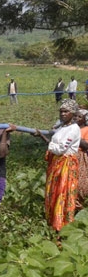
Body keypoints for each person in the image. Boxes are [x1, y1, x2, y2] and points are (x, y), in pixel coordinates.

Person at [34, 99, 81, 237]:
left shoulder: (74, 129)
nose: (63, 114)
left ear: (72, 113)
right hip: (56, 164)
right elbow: (54, 143)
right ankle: (52, 223)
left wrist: (45, 140)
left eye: (66, 111)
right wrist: (44, 136)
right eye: (61, 111)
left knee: (62, 193)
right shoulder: (61, 127)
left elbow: (60, 149)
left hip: (66, 166)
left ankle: (62, 226)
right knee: (52, 191)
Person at [75, 109, 88, 210]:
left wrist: (74, 136)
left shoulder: (86, 129)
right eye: (75, 116)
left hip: (80, 158)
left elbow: (85, 145)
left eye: (79, 117)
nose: (76, 118)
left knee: (81, 185)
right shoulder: (71, 129)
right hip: (70, 157)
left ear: (84, 119)